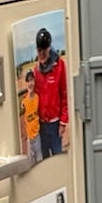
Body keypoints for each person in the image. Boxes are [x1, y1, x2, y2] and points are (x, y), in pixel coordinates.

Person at [34, 27, 68, 157]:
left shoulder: (59, 66)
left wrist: (63, 122)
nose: (41, 54)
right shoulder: (36, 70)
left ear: (49, 48)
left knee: (57, 156)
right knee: (44, 159)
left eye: (44, 50)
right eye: (39, 50)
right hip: (42, 124)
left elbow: (64, 94)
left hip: (55, 124)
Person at [18, 65, 41, 160]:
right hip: (29, 137)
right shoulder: (24, 102)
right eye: (28, 81)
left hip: (38, 135)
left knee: (40, 159)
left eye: (32, 80)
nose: (30, 83)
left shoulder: (37, 98)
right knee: (31, 161)